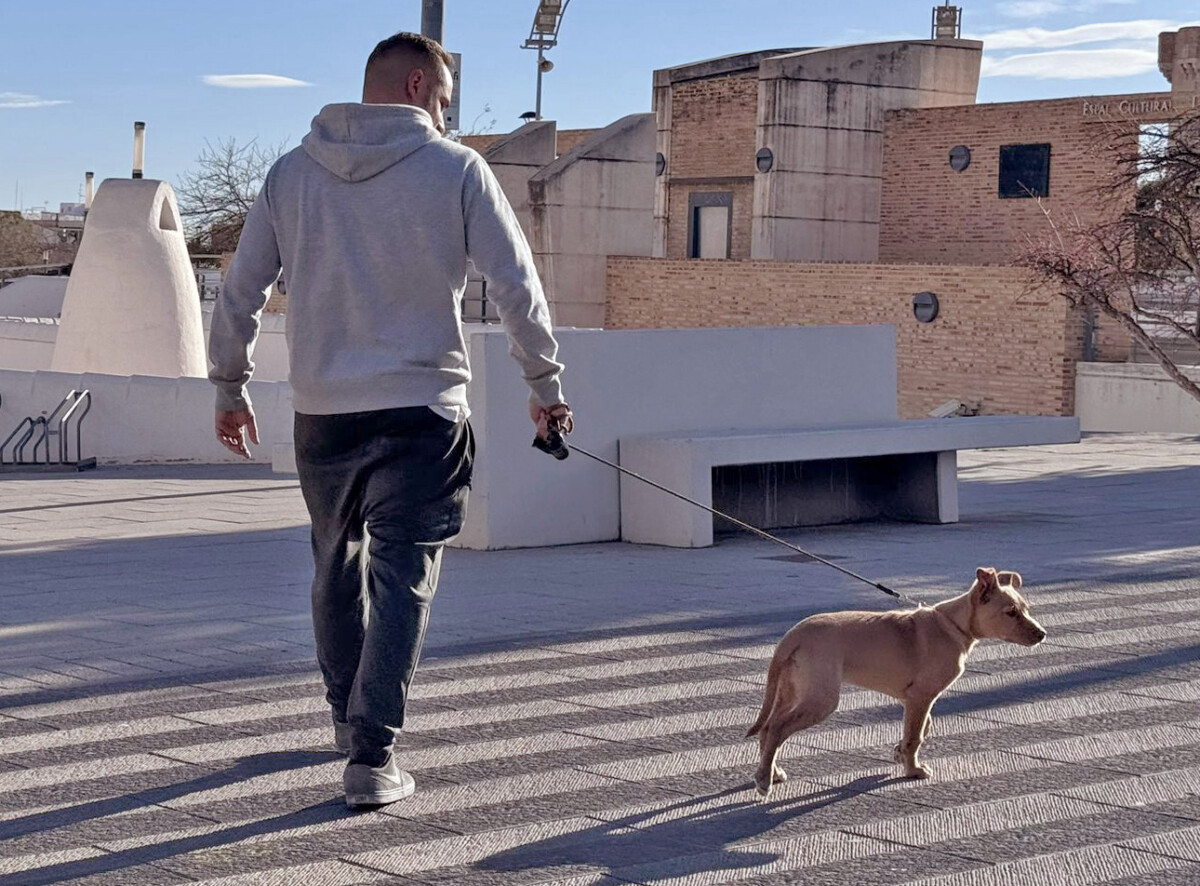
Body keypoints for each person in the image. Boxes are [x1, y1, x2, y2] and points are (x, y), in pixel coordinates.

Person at [208, 31, 570, 809]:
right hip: (423, 412)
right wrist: (542, 381)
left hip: (323, 415)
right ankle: (373, 757)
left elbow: (237, 292)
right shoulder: (456, 170)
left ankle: (348, 722)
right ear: (414, 86)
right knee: (403, 575)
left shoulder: (291, 175)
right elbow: (516, 284)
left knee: (334, 564)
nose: (445, 112)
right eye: (442, 97)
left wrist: (229, 387)